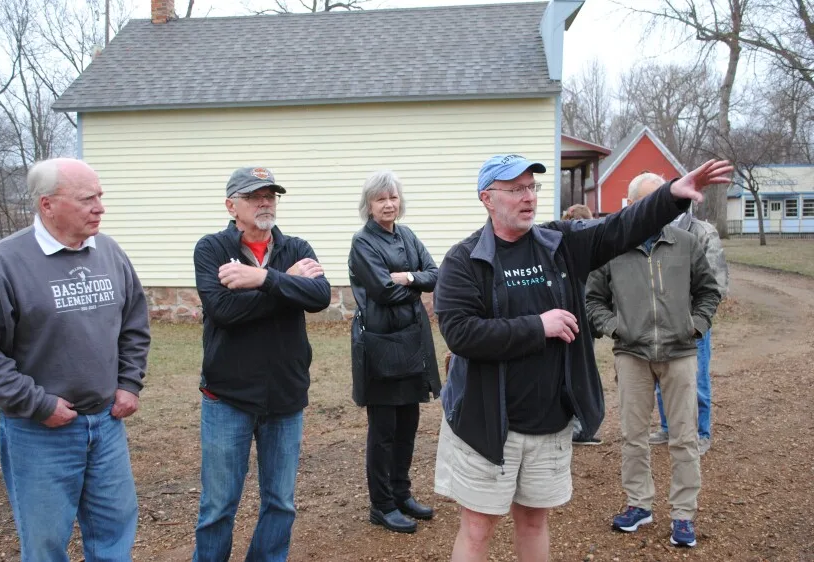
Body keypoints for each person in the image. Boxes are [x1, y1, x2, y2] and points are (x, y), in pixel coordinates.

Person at [432, 154, 732, 562]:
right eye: (515, 189)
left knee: (535, 521)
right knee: (479, 527)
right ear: (487, 198)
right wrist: (539, 326)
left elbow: (618, 228)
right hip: (486, 424)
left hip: (548, 421)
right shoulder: (464, 260)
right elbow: (461, 333)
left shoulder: (559, 244)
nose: (528, 197)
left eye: (531, 187)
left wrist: (670, 196)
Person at [0, 158, 151, 562]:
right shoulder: (3, 263)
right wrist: (40, 405)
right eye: (87, 198)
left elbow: (134, 325)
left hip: (106, 424)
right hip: (40, 431)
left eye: (100, 196)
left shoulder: (109, 252)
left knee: (114, 530)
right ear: (47, 204)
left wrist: (128, 383)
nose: (100, 207)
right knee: (46, 542)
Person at [192, 166, 331, 562]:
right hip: (228, 396)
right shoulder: (211, 249)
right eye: (254, 196)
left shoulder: (298, 247)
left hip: (285, 395)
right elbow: (223, 310)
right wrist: (287, 283)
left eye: (270, 195)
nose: (265, 202)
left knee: (281, 502)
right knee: (218, 507)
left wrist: (261, 278)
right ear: (231, 205)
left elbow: (319, 296)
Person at [586, 172, 722, 548]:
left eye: (657, 201)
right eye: (644, 203)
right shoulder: (610, 248)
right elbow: (592, 298)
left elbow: (708, 291)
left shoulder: (686, 243)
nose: (652, 210)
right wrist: (615, 328)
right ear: (631, 206)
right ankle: (639, 504)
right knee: (633, 437)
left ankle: (683, 514)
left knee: (684, 438)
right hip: (632, 354)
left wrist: (695, 326)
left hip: (679, 354)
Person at [348, 170, 442, 534]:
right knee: (384, 430)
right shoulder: (363, 243)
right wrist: (410, 280)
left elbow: (434, 274)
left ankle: (402, 495)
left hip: (413, 341)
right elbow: (384, 291)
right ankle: (381, 505)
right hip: (382, 344)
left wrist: (407, 277)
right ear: (369, 205)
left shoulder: (407, 235)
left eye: (393, 197)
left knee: (408, 425)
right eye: (380, 199)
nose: (388, 204)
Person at [650, 209, 729, 455]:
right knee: (663, 378)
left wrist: (696, 321)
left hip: (692, 323)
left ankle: (701, 433)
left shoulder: (703, 232)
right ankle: (668, 427)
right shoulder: (652, 230)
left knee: (697, 380)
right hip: (659, 323)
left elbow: (717, 284)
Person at [560, 203, 603, 446]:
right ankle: (578, 427)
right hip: (577, 324)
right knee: (578, 375)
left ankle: (578, 425)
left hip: (581, 322)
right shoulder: (579, 251)